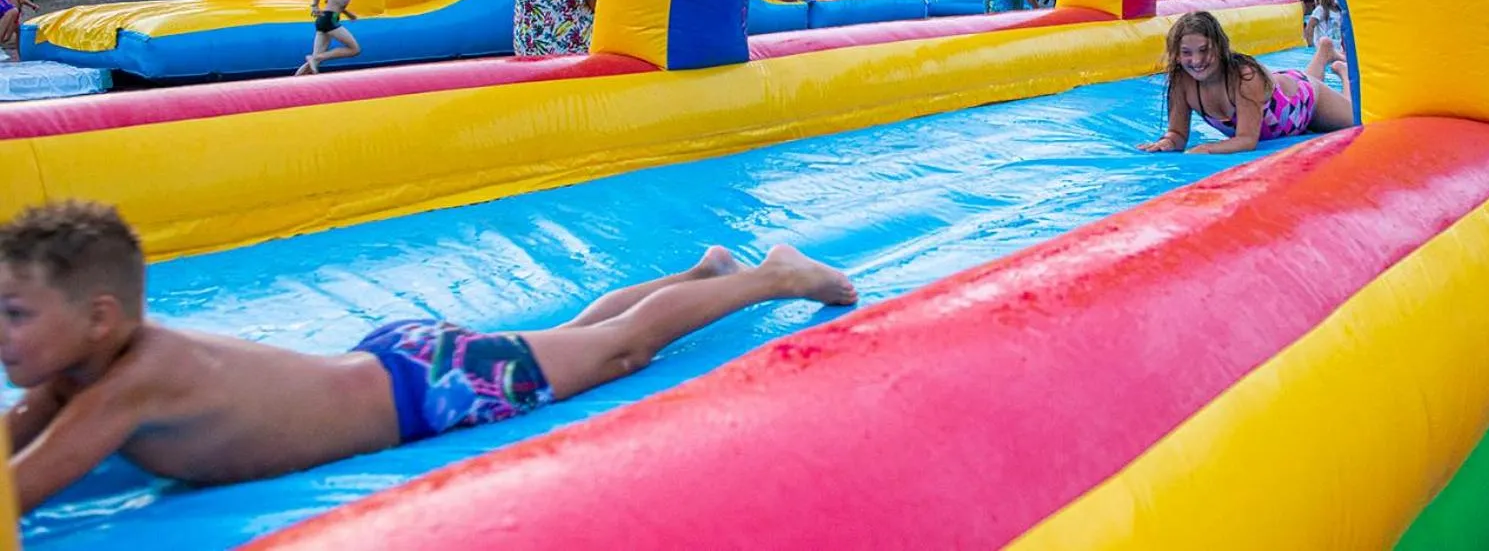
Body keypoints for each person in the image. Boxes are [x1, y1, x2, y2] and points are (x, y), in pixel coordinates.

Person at [0, 200, 857, 515]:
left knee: (618, 349)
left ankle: (773, 274)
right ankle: (701, 275)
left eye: (16, 313)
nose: (3, 333)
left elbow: (22, 488)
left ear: (100, 317)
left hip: (426, 388)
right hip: (397, 363)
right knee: (574, 338)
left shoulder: (133, 378)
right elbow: (18, 442)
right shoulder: (79, 375)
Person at [1137, 10, 1353, 154]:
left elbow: (1247, 140)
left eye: (1204, 50)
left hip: (1303, 102)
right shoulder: (1182, 81)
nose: (1196, 60)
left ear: (1220, 48)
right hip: (1282, 89)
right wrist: (1167, 142)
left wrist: (1208, 148)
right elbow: (1177, 134)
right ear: (1176, 55)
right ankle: (1324, 52)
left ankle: (1343, 73)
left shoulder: (1243, 78)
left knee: (1356, 118)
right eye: (1186, 52)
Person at [294, 0, 365, 76]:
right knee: (354, 49)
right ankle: (316, 58)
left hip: (325, 19)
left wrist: (347, 13)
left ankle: (295, 82)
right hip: (329, 20)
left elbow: (329, 1)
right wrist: (315, 5)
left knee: (313, 63)